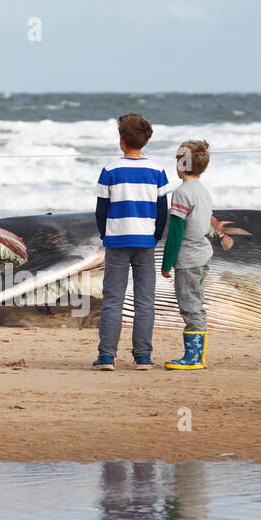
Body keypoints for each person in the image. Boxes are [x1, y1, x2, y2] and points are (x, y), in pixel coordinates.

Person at [93, 113, 174, 370]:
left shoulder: (110, 170)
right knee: (145, 301)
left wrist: (105, 234)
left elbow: (100, 210)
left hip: (117, 241)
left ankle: (107, 356)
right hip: (145, 242)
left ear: (121, 140)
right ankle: (143, 356)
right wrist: (155, 235)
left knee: (113, 299)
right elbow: (163, 210)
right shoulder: (158, 171)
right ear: (145, 140)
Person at [160, 139, 213, 370]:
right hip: (203, 254)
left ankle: (193, 358)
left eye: (177, 159)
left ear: (183, 164)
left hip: (188, 258)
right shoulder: (203, 190)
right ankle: (197, 356)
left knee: (189, 306)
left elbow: (176, 231)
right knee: (196, 304)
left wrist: (167, 262)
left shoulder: (181, 193)